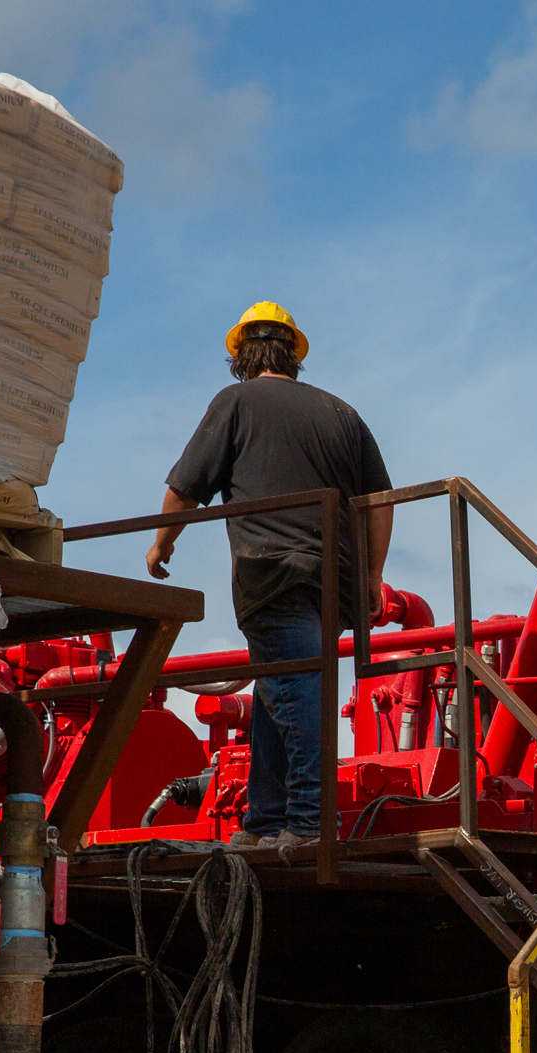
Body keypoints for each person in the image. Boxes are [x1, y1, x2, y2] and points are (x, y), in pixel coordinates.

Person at [147, 303, 394, 857]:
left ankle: (307, 821)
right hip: (337, 581)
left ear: (240, 356)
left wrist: (161, 544)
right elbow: (380, 500)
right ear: (293, 354)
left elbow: (185, 489)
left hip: (272, 572)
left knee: (298, 686)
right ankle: (263, 818)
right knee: (276, 686)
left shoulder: (235, 402)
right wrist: (375, 575)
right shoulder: (342, 413)